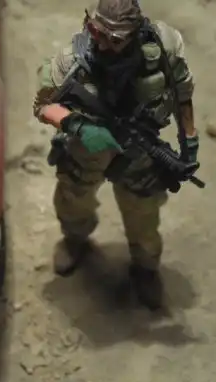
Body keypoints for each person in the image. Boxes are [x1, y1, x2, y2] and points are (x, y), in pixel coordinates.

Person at [32, 0, 198, 310]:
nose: (103, 44)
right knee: (73, 198)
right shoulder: (72, 61)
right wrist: (78, 126)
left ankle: (146, 267)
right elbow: (42, 106)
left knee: (143, 211)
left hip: (137, 150)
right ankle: (75, 239)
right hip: (86, 147)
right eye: (96, 32)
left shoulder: (163, 50)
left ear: (136, 33)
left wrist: (189, 140)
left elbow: (183, 94)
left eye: (116, 39)